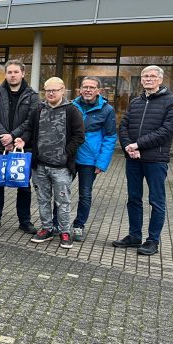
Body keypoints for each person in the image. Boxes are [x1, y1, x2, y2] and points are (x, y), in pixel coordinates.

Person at [114, 65, 173, 256]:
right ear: (141, 80)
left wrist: (137, 145)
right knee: (134, 199)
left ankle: (152, 241)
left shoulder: (172, 102)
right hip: (133, 159)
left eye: (152, 76)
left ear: (160, 80)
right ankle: (134, 236)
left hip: (155, 160)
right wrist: (128, 146)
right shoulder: (135, 101)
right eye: (145, 76)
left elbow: (167, 132)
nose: (148, 79)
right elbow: (124, 125)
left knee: (156, 201)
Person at [15, 77, 85, 249]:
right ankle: (46, 229)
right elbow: (30, 130)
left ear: (63, 90)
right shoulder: (38, 109)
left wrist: (65, 153)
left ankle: (64, 232)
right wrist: (23, 141)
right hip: (39, 166)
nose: (51, 93)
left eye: (55, 90)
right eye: (48, 90)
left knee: (63, 201)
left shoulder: (72, 111)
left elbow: (79, 136)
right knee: (43, 199)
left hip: (61, 167)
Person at [0, 59, 39, 233]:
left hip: (22, 146)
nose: (12, 75)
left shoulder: (33, 96)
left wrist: (13, 137)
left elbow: (32, 120)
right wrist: (4, 137)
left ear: (23, 73)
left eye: (16, 72)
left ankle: (25, 220)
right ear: (5, 74)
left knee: (23, 185)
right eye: (9, 72)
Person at [67, 76, 117, 241]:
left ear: (98, 91)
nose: (88, 90)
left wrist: (102, 163)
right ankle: (57, 222)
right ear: (79, 89)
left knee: (85, 194)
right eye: (85, 87)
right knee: (61, 191)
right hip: (70, 157)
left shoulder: (107, 110)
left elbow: (110, 137)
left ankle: (79, 225)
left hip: (90, 160)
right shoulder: (70, 106)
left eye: (92, 87)